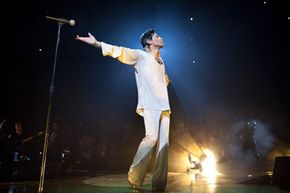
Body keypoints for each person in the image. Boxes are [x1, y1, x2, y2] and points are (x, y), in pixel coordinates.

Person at [76, 29, 171, 191]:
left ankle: (160, 182)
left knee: (164, 144)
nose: (160, 37)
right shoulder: (140, 56)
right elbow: (119, 51)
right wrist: (97, 44)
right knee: (151, 138)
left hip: (164, 106)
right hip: (150, 104)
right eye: (156, 37)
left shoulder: (161, 60)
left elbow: (163, 80)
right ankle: (134, 175)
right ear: (149, 42)